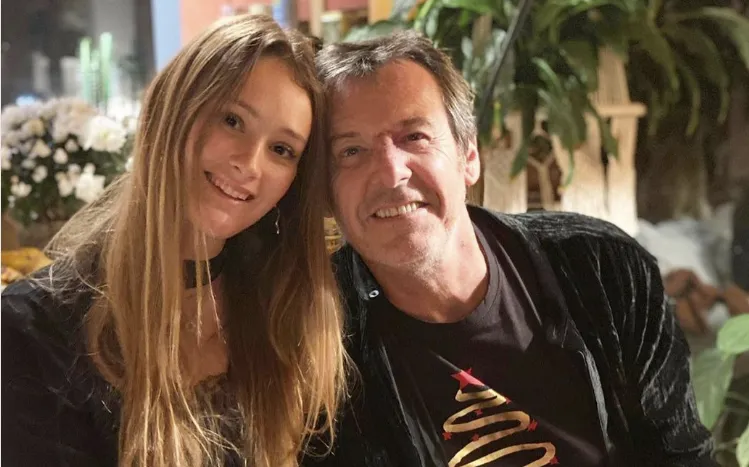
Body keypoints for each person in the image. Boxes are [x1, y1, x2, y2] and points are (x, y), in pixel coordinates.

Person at [307, 31, 716, 466]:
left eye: (415, 137)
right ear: (324, 193)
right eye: (351, 151)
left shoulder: (603, 268)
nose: (392, 174)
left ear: (469, 156)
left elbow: (682, 457)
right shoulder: (313, 336)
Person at [2, 14, 347, 467]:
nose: (249, 164)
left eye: (282, 150)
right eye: (232, 120)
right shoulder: (33, 327)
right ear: (172, 109)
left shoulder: (284, 308)